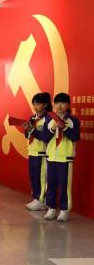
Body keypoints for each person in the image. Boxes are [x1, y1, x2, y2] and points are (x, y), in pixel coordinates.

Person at [42, 93, 80, 222]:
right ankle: (51, 208)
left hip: (65, 158)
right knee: (51, 184)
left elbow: (75, 137)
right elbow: (44, 138)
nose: (59, 105)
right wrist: (52, 129)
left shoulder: (73, 120)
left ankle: (64, 210)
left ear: (68, 105)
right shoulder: (49, 119)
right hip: (51, 157)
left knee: (64, 185)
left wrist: (65, 128)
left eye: (63, 103)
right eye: (57, 103)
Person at [24, 92, 52, 211]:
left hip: (42, 152)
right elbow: (27, 135)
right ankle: (36, 198)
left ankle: (42, 200)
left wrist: (33, 131)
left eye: (38, 104)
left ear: (45, 105)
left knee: (41, 177)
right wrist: (27, 130)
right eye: (34, 104)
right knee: (33, 176)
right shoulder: (32, 117)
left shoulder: (48, 119)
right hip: (32, 151)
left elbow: (45, 137)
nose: (35, 106)